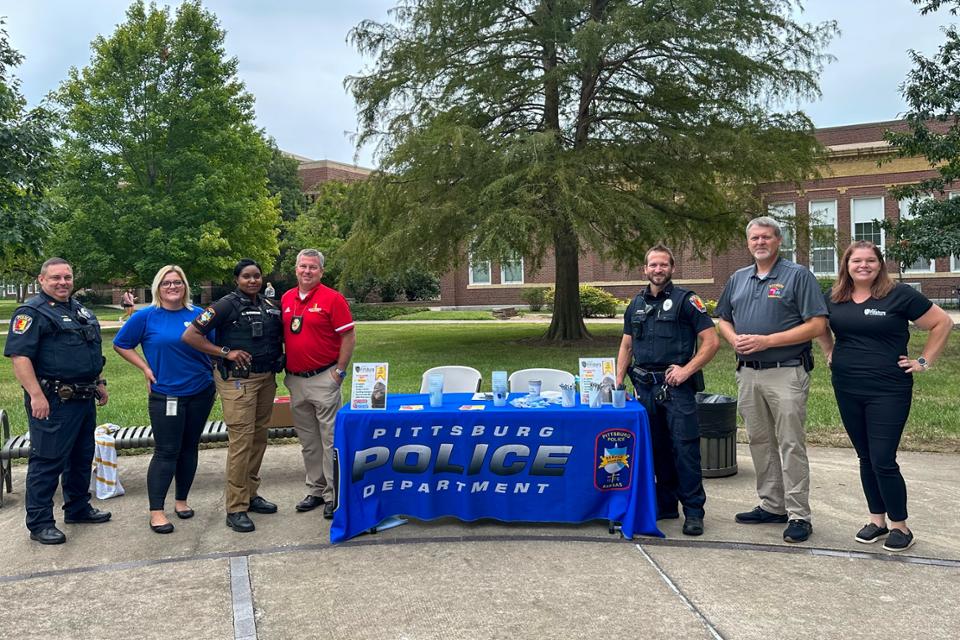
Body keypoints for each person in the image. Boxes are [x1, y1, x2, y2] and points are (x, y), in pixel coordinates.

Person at [816, 241, 951, 552]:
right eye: (856, 261)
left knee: (883, 459)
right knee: (865, 457)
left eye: (870, 260)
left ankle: (900, 527)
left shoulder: (898, 295)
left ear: (880, 264)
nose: (863, 266)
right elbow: (819, 325)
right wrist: (829, 350)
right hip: (847, 386)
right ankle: (877, 521)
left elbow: (941, 322)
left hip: (888, 389)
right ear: (846, 265)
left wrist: (923, 361)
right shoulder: (834, 297)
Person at [716, 216, 828, 543]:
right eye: (754, 238)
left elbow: (818, 325)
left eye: (766, 237)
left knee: (791, 442)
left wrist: (768, 341)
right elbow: (722, 318)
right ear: (748, 243)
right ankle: (771, 504)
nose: (760, 243)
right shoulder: (738, 278)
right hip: (748, 373)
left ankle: (798, 515)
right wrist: (733, 337)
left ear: (779, 241)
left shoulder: (797, 276)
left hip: (787, 370)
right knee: (759, 440)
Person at [4, 258, 111, 544]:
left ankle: (77, 508)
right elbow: (20, 357)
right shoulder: (31, 313)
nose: (62, 282)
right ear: (42, 280)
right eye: (55, 278)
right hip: (53, 400)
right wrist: (36, 396)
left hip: (84, 397)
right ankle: (40, 523)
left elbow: (90, 351)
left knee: (80, 457)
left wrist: (99, 383)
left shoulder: (80, 311)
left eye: (67, 277)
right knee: (48, 460)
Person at [615, 244, 719, 536]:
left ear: (672, 268)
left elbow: (711, 342)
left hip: (676, 388)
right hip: (644, 388)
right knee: (656, 448)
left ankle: (694, 512)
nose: (657, 270)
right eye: (653, 265)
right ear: (644, 269)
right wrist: (618, 380)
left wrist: (686, 370)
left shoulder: (688, 301)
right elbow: (627, 344)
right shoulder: (635, 304)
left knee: (684, 449)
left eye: (663, 265)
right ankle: (666, 504)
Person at [181, 259, 284, 533]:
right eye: (247, 277)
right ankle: (236, 507)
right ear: (237, 279)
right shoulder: (225, 305)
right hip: (238, 381)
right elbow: (190, 336)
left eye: (257, 276)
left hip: (266, 379)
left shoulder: (269, 305)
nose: (252, 281)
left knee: (259, 437)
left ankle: (250, 493)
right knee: (241, 441)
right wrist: (226, 353)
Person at [113, 265, 216, 534]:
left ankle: (181, 501)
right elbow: (121, 344)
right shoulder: (146, 316)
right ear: (158, 287)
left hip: (201, 391)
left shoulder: (199, 316)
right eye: (166, 283)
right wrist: (146, 368)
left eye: (177, 282)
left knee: (189, 447)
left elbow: (214, 348)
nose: (172, 287)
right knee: (166, 451)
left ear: (185, 286)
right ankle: (156, 511)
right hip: (166, 394)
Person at [282, 249, 355, 519]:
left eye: (313, 267)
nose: (307, 271)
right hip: (296, 379)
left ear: (321, 271)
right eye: (303, 266)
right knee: (308, 441)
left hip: (324, 377)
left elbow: (348, 337)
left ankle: (333, 494)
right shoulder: (287, 298)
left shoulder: (332, 299)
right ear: (296, 269)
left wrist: (339, 372)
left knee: (329, 440)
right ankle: (315, 489)